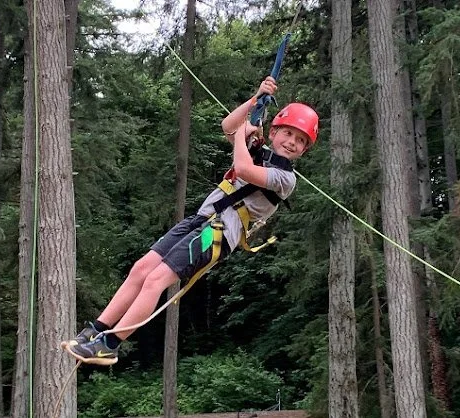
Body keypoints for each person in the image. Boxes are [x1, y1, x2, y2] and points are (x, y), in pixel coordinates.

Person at [62, 76, 319, 365]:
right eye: (288, 133)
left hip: (218, 234)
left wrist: (243, 135)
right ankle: (95, 330)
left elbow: (243, 169)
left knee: (156, 280)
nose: (292, 142)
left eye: (300, 140)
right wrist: (254, 100)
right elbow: (228, 125)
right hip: (201, 219)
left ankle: (109, 345)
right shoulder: (259, 149)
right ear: (274, 132)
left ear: (304, 150)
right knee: (142, 268)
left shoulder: (285, 179)